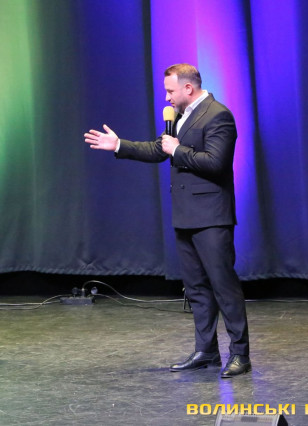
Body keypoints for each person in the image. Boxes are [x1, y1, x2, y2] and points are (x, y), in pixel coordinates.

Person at [84, 63, 250, 378]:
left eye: (170, 90)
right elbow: (159, 149)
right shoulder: (179, 116)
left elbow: (216, 163)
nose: (167, 97)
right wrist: (118, 145)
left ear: (188, 87)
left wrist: (178, 150)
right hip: (185, 216)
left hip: (211, 217)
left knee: (223, 287)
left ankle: (240, 354)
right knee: (196, 288)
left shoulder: (218, 115)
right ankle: (206, 351)